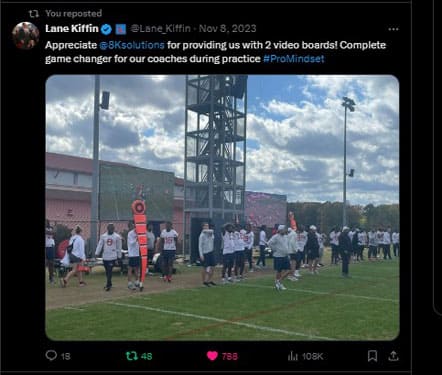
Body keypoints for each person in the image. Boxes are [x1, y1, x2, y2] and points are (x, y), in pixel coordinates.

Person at [95, 223, 122, 291]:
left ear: (113, 229)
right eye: (109, 228)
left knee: (110, 270)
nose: (111, 229)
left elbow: (119, 247)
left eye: (112, 228)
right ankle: (109, 283)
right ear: (107, 228)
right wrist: (97, 253)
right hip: (105, 256)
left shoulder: (117, 237)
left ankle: (108, 285)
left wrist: (119, 256)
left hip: (113, 257)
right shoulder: (103, 236)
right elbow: (100, 245)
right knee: (107, 271)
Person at [268, 225, 291, 290]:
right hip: (278, 256)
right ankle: (278, 283)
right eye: (284, 229)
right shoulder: (276, 237)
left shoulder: (285, 236)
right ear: (280, 230)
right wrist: (274, 249)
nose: (285, 230)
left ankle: (278, 281)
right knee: (279, 271)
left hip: (285, 256)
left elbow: (286, 245)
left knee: (289, 270)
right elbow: (269, 243)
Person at [127, 221, 140, 291]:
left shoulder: (138, 233)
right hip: (132, 254)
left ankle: (136, 282)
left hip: (137, 253)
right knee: (130, 269)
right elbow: (131, 243)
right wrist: (137, 238)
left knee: (136, 268)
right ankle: (129, 283)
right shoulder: (130, 233)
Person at [45, 219, 56, 284]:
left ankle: (51, 278)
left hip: (51, 247)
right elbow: (51, 232)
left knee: (51, 263)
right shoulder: (50, 229)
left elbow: (55, 232)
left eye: (46, 222)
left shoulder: (51, 228)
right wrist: (54, 229)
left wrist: (54, 229)